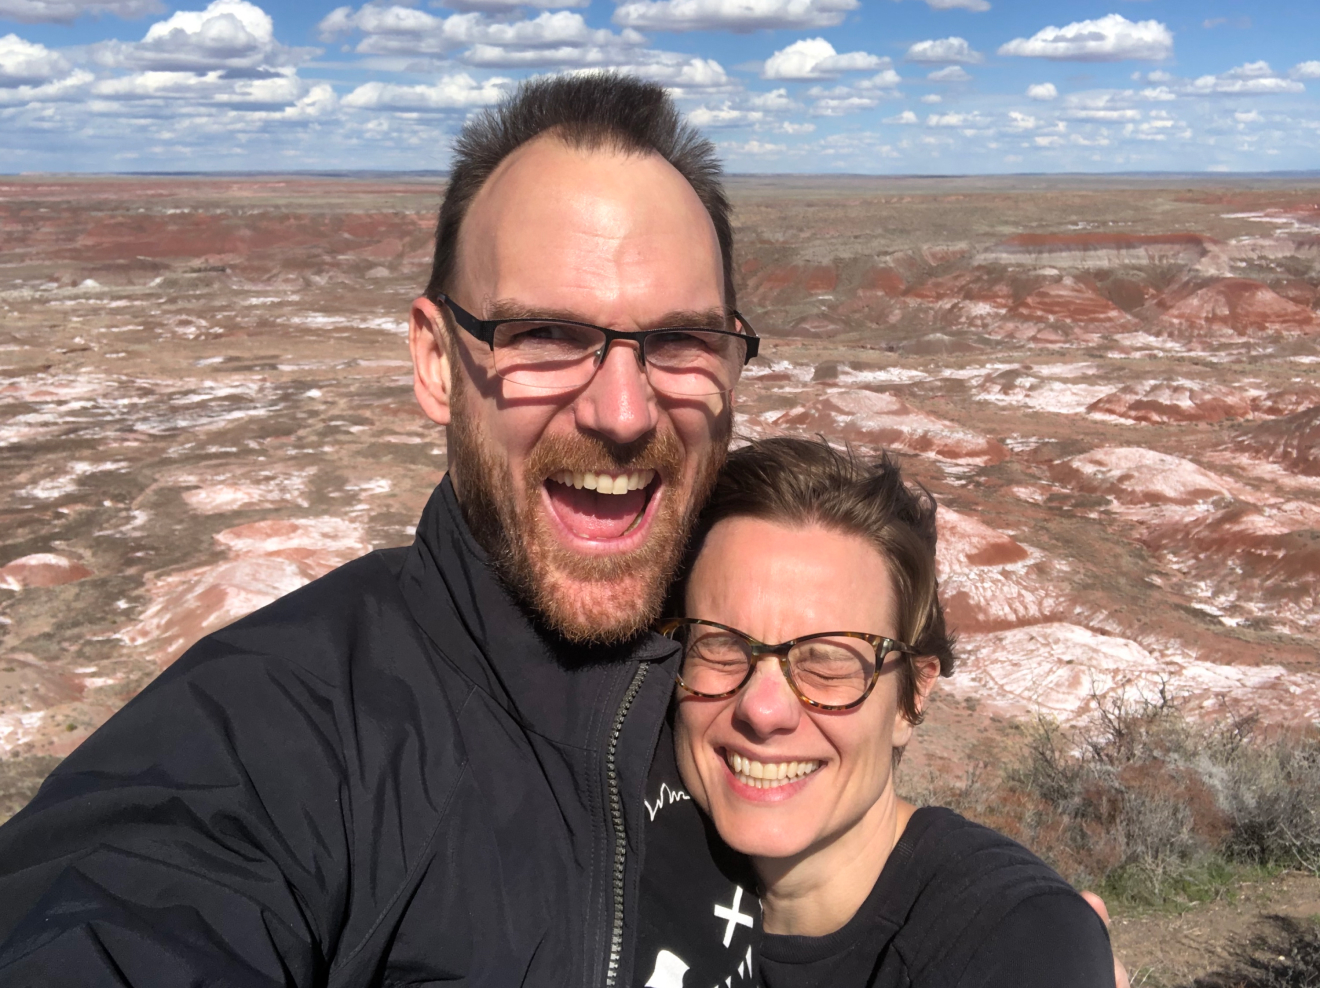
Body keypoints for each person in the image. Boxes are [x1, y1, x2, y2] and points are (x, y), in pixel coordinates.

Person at [0, 75, 1121, 987]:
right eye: (545, 334)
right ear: (440, 362)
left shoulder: (731, 682)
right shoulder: (281, 732)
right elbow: (125, 908)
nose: (624, 411)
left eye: (679, 341)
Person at [647, 436, 1116, 987]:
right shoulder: (618, 856)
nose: (763, 708)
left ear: (911, 697)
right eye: (721, 647)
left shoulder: (1011, 936)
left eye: (826, 662)